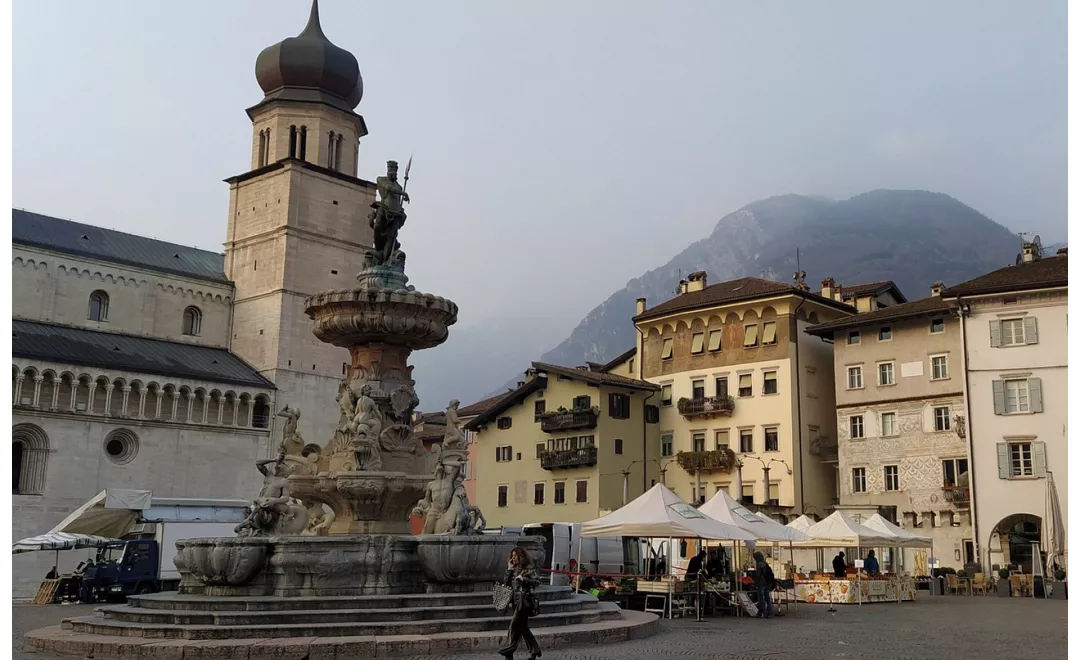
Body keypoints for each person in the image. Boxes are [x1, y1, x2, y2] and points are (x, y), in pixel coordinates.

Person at [498, 547, 542, 659]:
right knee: (523, 627)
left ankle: (508, 652)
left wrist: (524, 579)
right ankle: (535, 650)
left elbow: (537, 582)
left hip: (524, 601)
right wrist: (509, 569)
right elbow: (506, 583)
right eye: (512, 555)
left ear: (521, 557)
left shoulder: (528, 569)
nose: (513, 558)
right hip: (515, 601)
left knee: (514, 625)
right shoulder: (513, 569)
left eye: (515, 556)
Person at [753, 551, 775, 619]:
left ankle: (762, 612)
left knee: (761, 599)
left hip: (761, 583)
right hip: (767, 582)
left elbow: (758, 574)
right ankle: (769, 612)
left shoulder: (759, 564)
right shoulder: (765, 563)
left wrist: (755, 582)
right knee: (767, 599)